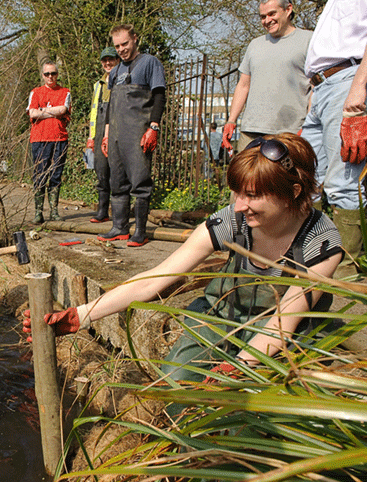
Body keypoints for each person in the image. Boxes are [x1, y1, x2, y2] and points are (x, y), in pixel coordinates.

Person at [24, 133, 342, 388]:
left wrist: (234, 371)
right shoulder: (235, 220)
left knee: (248, 407)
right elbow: (153, 278)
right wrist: (82, 315)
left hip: (282, 335)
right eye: (237, 193)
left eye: (253, 195)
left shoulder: (321, 242)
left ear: (293, 192)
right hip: (222, 320)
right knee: (180, 384)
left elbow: (280, 326)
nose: (240, 205)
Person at [300, 0, 367, 277]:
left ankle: (348, 270)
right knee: (305, 178)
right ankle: (312, 255)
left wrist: (358, 88)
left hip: (349, 79)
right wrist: (316, 90)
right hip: (323, 86)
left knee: (344, 182)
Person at [99, 24, 166, 247]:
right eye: (117, 46)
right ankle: (119, 227)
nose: (121, 49)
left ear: (135, 39)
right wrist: (107, 134)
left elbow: (159, 95)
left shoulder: (149, 63)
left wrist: (153, 127)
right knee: (116, 181)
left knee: (140, 181)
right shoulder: (115, 72)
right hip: (116, 134)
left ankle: (140, 231)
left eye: (125, 44)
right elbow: (109, 106)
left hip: (138, 132)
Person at [222, 0, 312, 153]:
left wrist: (309, 126)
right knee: (246, 177)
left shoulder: (309, 40)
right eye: (263, 17)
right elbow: (243, 85)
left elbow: (315, 87)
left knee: (287, 177)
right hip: (251, 132)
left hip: (290, 132)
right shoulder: (255, 45)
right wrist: (231, 120)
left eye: (272, 14)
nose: (267, 20)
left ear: (288, 9)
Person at [27, 61, 71, 223]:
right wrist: (53, 112)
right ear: (43, 75)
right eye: (47, 74)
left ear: (57, 74)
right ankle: (38, 212)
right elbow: (32, 112)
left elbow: (63, 110)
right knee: (40, 174)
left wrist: (42, 111)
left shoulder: (65, 92)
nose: (50, 77)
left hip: (59, 138)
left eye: (53, 73)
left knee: (56, 174)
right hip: (39, 139)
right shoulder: (35, 92)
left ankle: (54, 211)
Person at [86, 46, 120, 223]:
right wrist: (91, 136)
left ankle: (118, 212)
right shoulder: (97, 84)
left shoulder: (123, 80)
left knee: (118, 172)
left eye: (111, 60)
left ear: (117, 61)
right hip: (99, 131)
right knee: (101, 171)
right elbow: (93, 112)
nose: (108, 63)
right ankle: (102, 211)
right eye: (105, 60)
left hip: (117, 130)